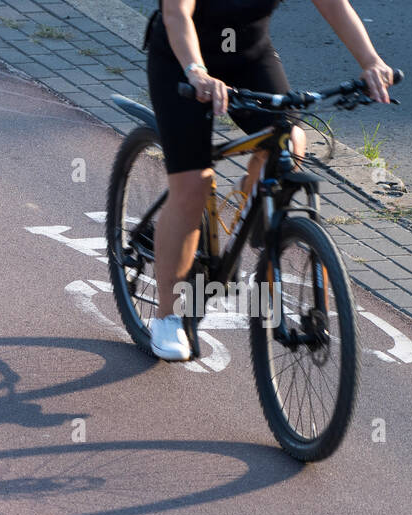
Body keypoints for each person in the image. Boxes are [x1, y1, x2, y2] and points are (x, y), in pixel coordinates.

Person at [145, 0, 395, 360]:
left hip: (248, 57)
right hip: (182, 63)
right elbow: (176, 14)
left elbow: (334, 6)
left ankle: (262, 226)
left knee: (290, 142)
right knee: (192, 186)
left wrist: (371, 61)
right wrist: (197, 71)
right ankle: (168, 316)